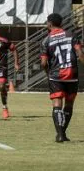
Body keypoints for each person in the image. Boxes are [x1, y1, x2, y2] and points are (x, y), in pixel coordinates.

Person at [41, 13, 84, 142]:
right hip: (72, 75)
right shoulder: (71, 35)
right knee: (69, 104)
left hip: (56, 76)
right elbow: (80, 54)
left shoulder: (46, 41)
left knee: (57, 104)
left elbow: (43, 63)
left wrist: (47, 73)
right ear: (61, 24)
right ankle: (63, 132)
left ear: (49, 24)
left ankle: (60, 135)